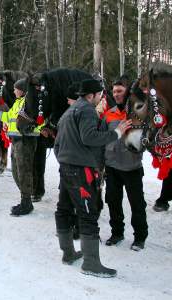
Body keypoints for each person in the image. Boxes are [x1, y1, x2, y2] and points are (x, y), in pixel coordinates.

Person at [54, 79, 132, 278]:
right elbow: (89, 137)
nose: (102, 98)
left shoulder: (69, 111)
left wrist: (66, 161)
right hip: (79, 172)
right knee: (88, 213)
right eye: (100, 95)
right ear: (92, 95)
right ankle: (90, 263)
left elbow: (57, 144)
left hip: (66, 168)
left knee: (63, 209)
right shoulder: (87, 110)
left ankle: (68, 253)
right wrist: (116, 132)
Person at [0, 78, 43, 216]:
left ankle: (26, 202)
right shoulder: (18, 103)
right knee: (17, 172)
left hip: (25, 141)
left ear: (21, 90)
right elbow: (8, 116)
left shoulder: (29, 103)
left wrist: (27, 130)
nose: (14, 90)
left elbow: (38, 120)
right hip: (16, 141)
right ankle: (25, 198)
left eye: (16, 88)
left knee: (24, 171)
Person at [102, 79, 148, 251]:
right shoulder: (109, 113)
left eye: (120, 91)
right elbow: (102, 137)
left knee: (137, 204)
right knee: (113, 201)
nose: (116, 94)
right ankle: (117, 233)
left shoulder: (138, 113)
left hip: (132, 167)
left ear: (128, 92)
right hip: (112, 166)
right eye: (114, 91)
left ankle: (140, 237)